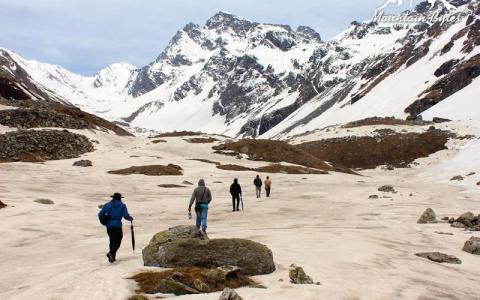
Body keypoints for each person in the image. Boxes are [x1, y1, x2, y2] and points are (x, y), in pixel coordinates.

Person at [98, 192, 133, 263]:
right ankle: (111, 253)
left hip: (109, 225)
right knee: (118, 241)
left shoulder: (107, 205)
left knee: (112, 240)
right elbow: (126, 216)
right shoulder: (122, 205)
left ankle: (112, 258)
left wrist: (103, 222)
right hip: (117, 225)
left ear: (113, 198)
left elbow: (100, 214)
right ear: (120, 198)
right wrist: (130, 218)